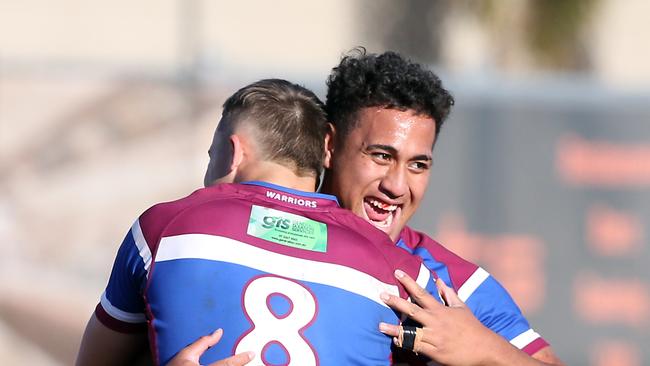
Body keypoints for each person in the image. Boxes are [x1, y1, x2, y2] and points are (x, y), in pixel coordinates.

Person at [76, 79, 434, 366]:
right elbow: (478, 339)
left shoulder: (164, 228)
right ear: (324, 154)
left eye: (211, 154)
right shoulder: (400, 268)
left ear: (233, 153)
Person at [320, 49, 564, 365]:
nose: (396, 186)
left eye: (418, 164)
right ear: (329, 146)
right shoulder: (249, 234)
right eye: (382, 156)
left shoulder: (450, 284)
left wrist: (482, 349)